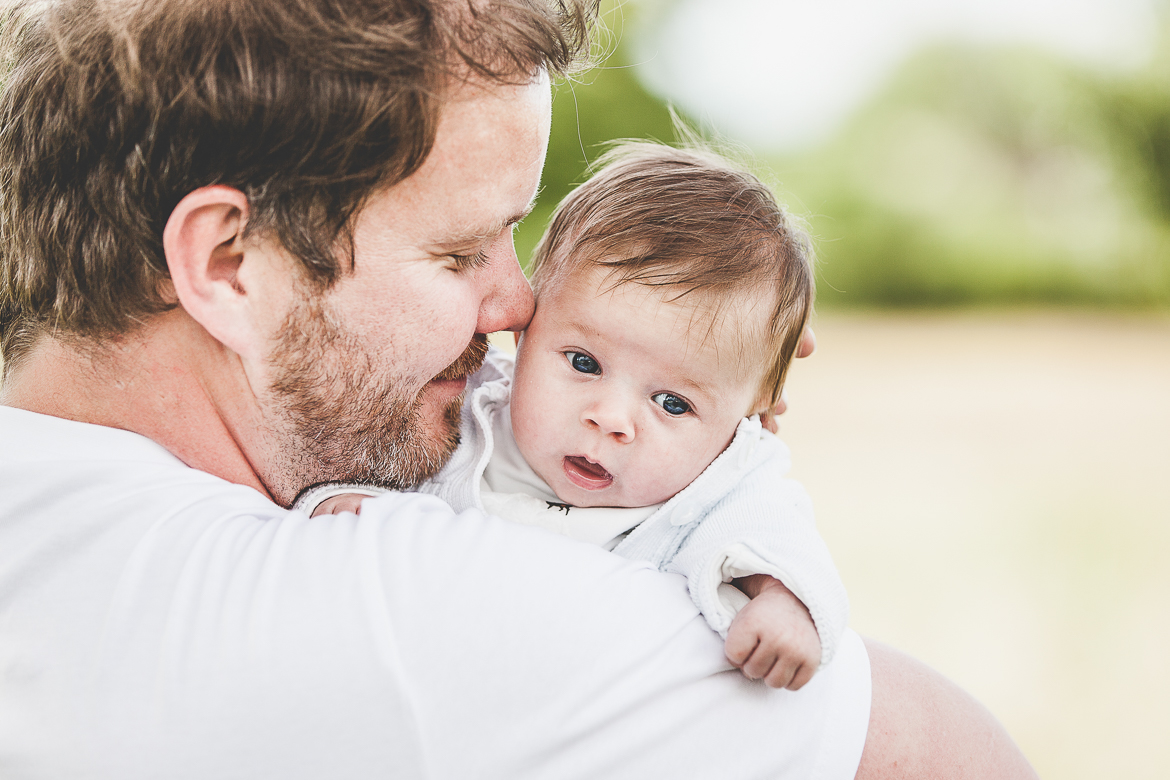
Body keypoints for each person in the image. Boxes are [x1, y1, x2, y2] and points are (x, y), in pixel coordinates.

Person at [0, 0, 1038, 777]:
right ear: (229, 264)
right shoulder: (400, 611)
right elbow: (945, 753)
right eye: (460, 253)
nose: (517, 302)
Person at [302, 142, 848, 691]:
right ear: (524, 331)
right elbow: (354, 448)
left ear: (748, 415)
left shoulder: (719, 488)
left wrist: (784, 604)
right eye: (584, 363)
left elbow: (783, 544)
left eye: (673, 403)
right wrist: (346, 501)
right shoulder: (468, 409)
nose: (610, 419)